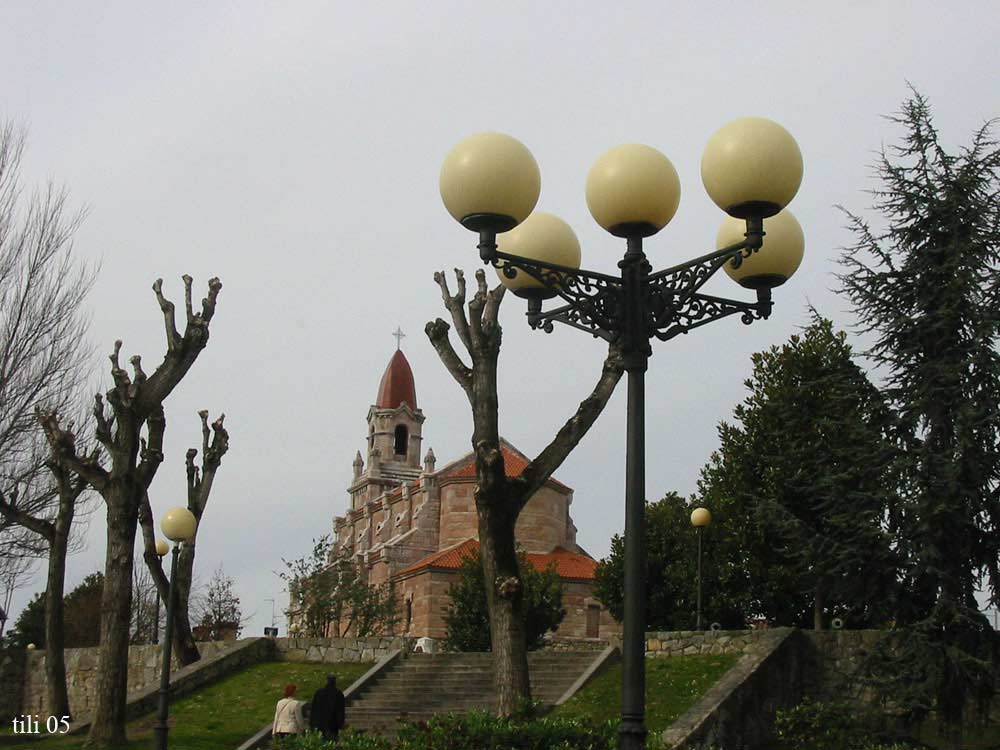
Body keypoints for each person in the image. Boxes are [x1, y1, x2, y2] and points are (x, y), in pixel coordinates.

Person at [309, 673, 346, 740]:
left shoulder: (319, 693)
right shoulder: (338, 693)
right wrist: (340, 723)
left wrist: (312, 723)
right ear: (335, 682)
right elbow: (340, 711)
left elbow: (314, 709)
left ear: (326, 681)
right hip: (333, 725)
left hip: (319, 723)